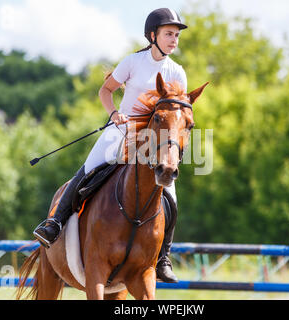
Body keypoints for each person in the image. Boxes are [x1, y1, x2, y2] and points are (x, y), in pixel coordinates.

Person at [33, 8, 188, 283]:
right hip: (121, 131)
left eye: (176, 35)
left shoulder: (178, 72)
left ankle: (163, 257)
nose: (174, 40)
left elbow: (177, 113)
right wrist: (114, 113)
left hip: (153, 141)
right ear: (153, 35)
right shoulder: (132, 62)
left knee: (171, 196)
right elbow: (105, 90)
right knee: (88, 170)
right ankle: (54, 223)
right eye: (168, 34)